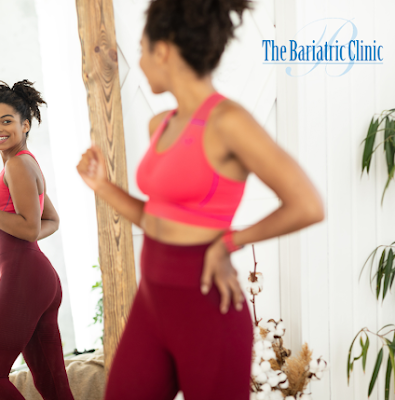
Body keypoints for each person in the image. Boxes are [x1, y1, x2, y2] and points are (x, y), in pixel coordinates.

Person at [77, 0, 324, 399]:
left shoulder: (228, 122)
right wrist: (103, 186)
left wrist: (230, 241)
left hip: (208, 309)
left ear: (162, 51)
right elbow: (157, 218)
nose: (137, 61)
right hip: (152, 303)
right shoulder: (162, 123)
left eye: (141, 50)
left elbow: (307, 204)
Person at [0, 80, 75, 400]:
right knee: (52, 384)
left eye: (6, 121)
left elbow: (29, 229)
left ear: (25, 125)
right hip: (38, 277)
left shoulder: (18, 164)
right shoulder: (24, 161)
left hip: (25, 274)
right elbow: (50, 221)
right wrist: (29, 232)